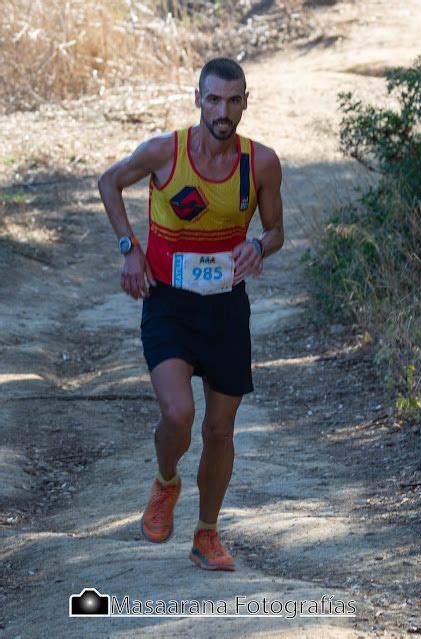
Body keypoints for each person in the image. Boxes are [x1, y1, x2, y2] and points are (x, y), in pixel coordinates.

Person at [98, 57, 284, 571]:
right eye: (213, 99)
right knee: (179, 415)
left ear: (246, 101)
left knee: (220, 431)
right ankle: (165, 482)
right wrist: (128, 248)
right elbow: (109, 182)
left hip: (226, 307)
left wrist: (258, 248)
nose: (222, 111)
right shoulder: (165, 152)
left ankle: (206, 533)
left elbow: (276, 231)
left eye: (233, 100)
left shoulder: (262, 163)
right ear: (197, 99)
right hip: (169, 304)